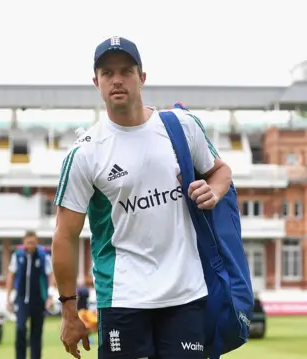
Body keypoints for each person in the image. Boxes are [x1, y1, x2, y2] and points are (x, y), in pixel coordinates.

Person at [51, 36, 233, 359]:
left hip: (186, 294)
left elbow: (220, 171)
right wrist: (69, 311)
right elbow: (64, 236)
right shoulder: (86, 152)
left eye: (126, 71)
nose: (117, 80)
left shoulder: (181, 126)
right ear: (96, 82)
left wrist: (214, 191)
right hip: (123, 299)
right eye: (107, 73)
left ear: (142, 77)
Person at [5, 231, 54, 359]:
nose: (30, 245)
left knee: (36, 333)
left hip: (39, 299)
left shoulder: (44, 256)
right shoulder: (17, 256)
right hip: (21, 299)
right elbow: (10, 275)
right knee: (20, 328)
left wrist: (50, 296)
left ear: (36, 242)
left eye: (32, 243)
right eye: (28, 243)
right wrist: (8, 298)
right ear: (24, 242)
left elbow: (50, 275)